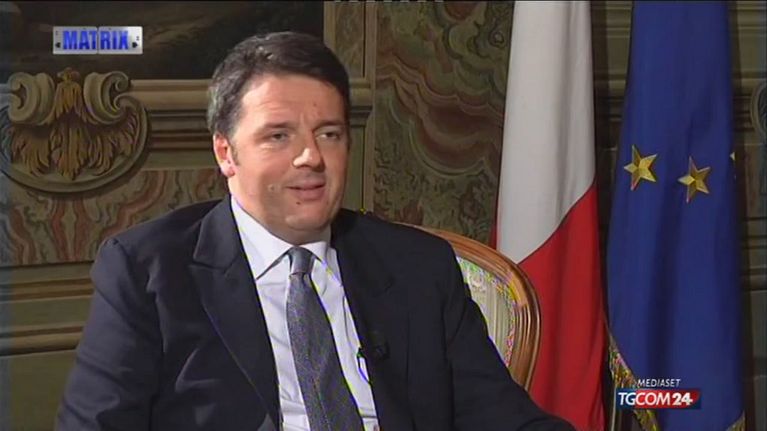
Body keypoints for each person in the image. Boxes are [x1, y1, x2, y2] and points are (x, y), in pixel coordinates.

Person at [56, 31, 574, 431]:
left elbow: (504, 419)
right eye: (278, 136)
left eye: (329, 134)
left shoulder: (419, 267)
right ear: (226, 153)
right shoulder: (149, 271)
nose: (310, 157)